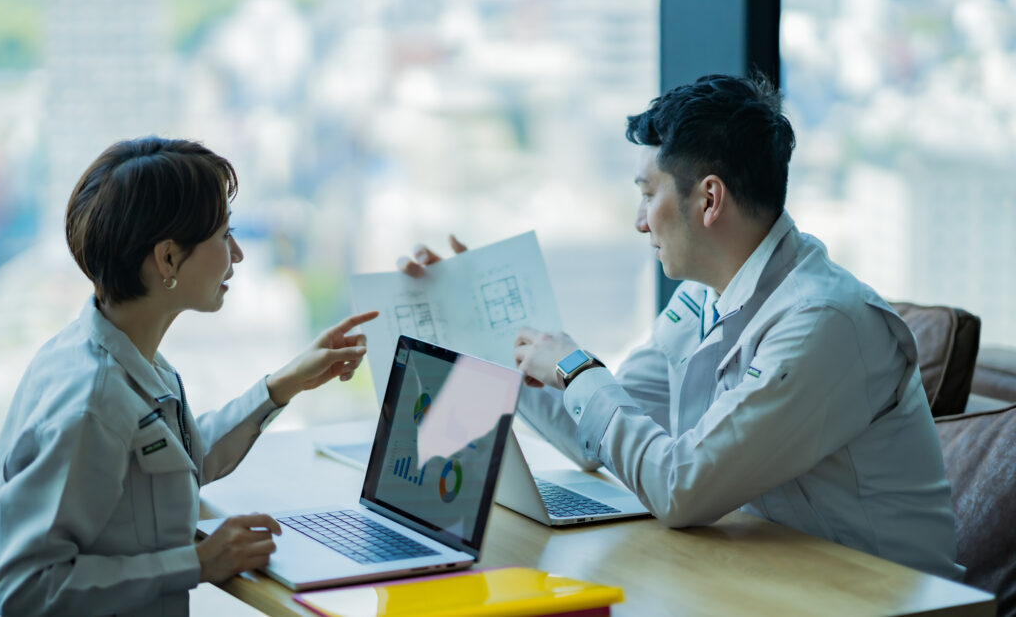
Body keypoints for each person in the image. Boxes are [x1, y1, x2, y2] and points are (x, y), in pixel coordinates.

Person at [399, 74, 962, 579]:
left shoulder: (823, 323)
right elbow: (603, 434)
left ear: (709, 199)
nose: (639, 221)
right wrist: (475, 326)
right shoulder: (707, 294)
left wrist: (574, 368)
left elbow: (680, 487)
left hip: (881, 597)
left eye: (648, 194)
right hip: (775, 575)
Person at [0, 137, 379, 617]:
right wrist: (195, 563)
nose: (236, 254)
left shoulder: (122, 354)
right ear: (169, 259)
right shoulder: (92, 404)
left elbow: (181, 463)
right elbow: (23, 591)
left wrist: (283, 385)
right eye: (222, 236)